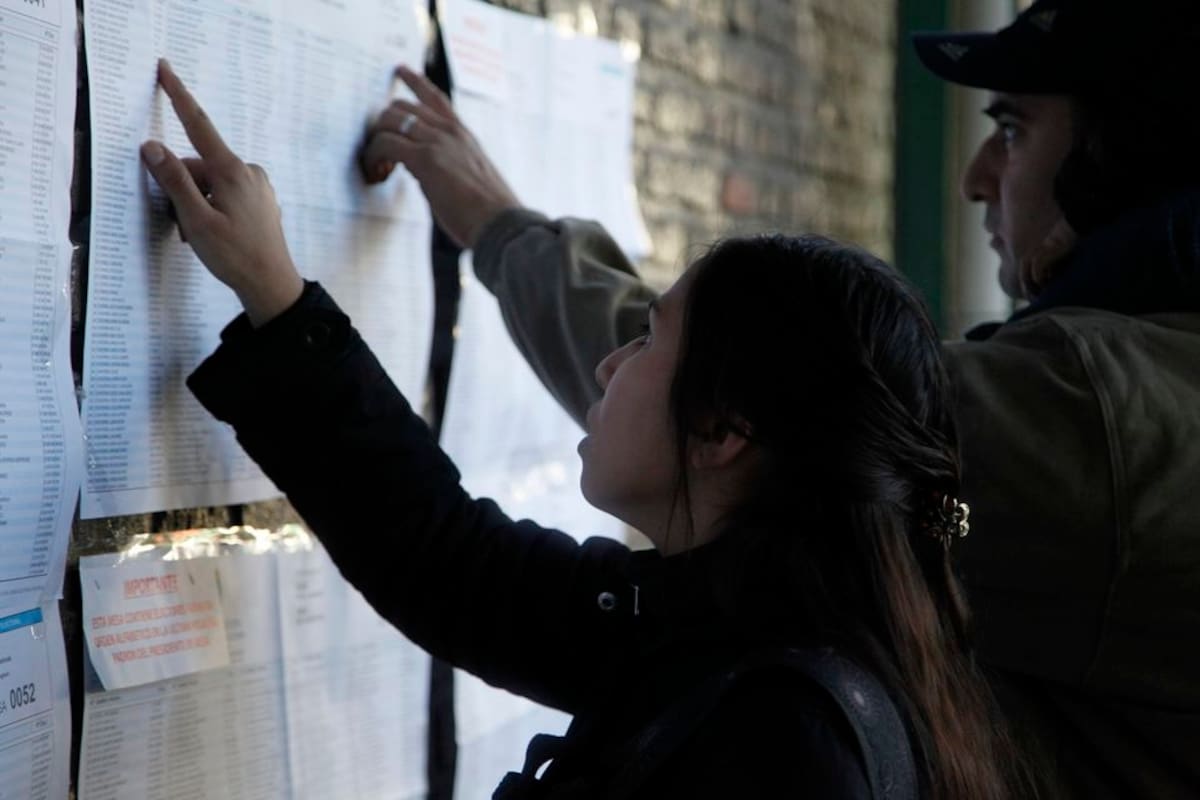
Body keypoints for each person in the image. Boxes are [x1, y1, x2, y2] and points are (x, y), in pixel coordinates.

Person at [358, 0, 1200, 796]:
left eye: (1014, 129)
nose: (979, 178)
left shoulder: (1101, 409)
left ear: (1120, 154)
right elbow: (479, 574)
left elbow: (756, 379)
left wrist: (501, 229)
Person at [141, 60, 1027, 799]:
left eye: (648, 340)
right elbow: (448, 561)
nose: (607, 366)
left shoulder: (788, 737)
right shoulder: (723, 625)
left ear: (722, 432)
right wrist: (278, 298)